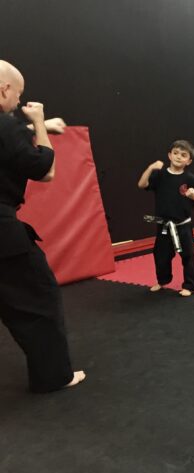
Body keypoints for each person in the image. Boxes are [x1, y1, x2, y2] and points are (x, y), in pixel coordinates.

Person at [0, 60, 85, 392]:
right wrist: (37, 121)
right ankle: (54, 376)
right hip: (3, 232)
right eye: (18, 95)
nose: (18, 103)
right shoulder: (7, 124)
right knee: (40, 297)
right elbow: (44, 169)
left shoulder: (8, 129)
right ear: (4, 90)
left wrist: (38, 126)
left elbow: (9, 140)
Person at [138, 140, 194, 297]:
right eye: (175, 153)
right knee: (161, 255)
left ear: (189, 161)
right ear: (169, 155)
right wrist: (150, 168)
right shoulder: (160, 175)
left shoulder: (189, 178)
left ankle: (189, 285)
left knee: (188, 255)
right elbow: (142, 184)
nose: (178, 157)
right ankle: (163, 280)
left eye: (183, 155)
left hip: (183, 225)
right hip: (163, 225)